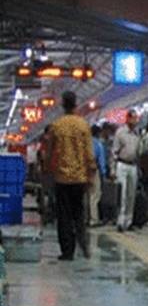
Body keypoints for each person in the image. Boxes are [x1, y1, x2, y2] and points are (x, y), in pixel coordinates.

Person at [45, 91, 96, 260]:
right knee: (79, 213)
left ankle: (67, 251)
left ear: (63, 105)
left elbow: (49, 153)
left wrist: (47, 170)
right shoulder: (83, 125)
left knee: (64, 215)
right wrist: (91, 174)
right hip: (79, 178)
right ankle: (84, 244)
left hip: (62, 178)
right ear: (76, 104)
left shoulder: (56, 126)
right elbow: (89, 153)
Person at [112, 109, 141, 232]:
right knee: (122, 194)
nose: (135, 121)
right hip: (122, 164)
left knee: (131, 194)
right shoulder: (120, 133)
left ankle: (129, 221)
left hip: (133, 166)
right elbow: (114, 151)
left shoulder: (137, 134)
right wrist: (113, 168)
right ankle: (120, 221)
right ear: (128, 119)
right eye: (133, 118)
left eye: (136, 118)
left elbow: (138, 152)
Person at [88, 124, 107, 226]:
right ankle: (94, 219)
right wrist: (103, 173)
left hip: (84, 171)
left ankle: (85, 218)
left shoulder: (86, 143)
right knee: (95, 195)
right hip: (94, 171)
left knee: (87, 195)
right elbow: (101, 160)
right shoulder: (98, 144)